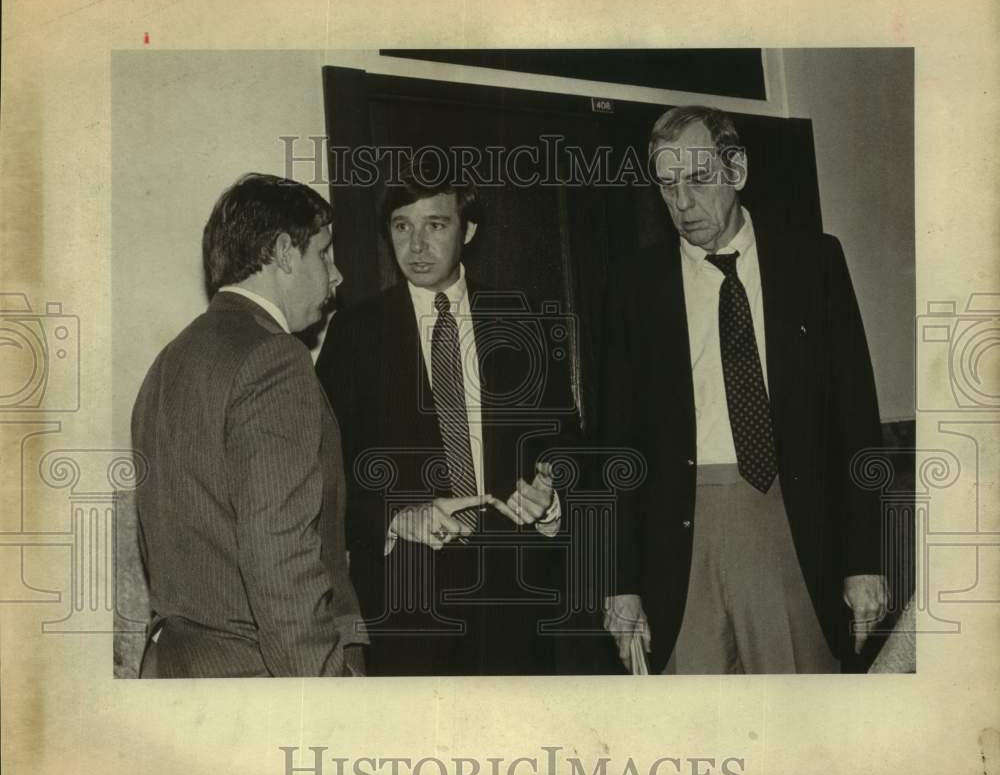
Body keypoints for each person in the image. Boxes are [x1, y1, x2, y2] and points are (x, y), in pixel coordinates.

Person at [600, 106, 888, 674]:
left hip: (791, 519)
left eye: (698, 179)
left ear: (737, 170)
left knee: (800, 722)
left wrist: (863, 560)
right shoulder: (635, 286)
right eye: (667, 184)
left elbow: (854, 419)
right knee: (699, 734)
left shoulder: (814, 263)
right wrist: (619, 581)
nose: (681, 203)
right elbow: (615, 441)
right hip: (678, 536)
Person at [316, 157, 579, 675]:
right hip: (406, 598)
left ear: (469, 230)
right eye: (401, 227)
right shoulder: (354, 335)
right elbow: (323, 470)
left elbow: (566, 442)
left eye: (435, 226)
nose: (415, 247)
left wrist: (551, 499)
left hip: (515, 593)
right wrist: (394, 516)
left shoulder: (518, 319)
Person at [132, 173, 365, 677]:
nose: (337, 274)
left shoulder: (168, 362)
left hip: (181, 670)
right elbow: (281, 560)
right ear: (284, 252)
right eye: (324, 253)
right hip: (261, 679)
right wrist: (325, 705)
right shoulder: (275, 359)